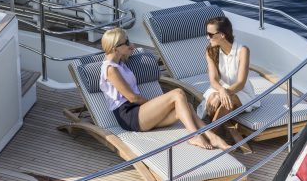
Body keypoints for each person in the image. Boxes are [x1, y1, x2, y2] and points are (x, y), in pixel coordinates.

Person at [98, 27, 230, 150]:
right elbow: (132, 98)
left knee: (187, 106)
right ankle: (194, 136)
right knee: (177, 93)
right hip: (129, 115)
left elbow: (127, 51)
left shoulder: (120, 62)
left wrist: (128, 47)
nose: (130, 45)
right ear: (115, 48)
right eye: (126, 42)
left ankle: (212, 136)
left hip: (139, 113)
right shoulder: (110, 69)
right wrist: (152, 105)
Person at [200, 16, 251, 136]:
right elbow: (213, 80)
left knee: (227, 100)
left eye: (210, 34)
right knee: (213, 99)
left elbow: (241, 83)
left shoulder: (243, 51)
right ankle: (218, 128)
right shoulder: (210, 51)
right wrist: (221, 91)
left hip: (241, 91)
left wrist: (223, 94)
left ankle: (210, 135)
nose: (207, 37)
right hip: (219, 88)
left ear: (222, 35)